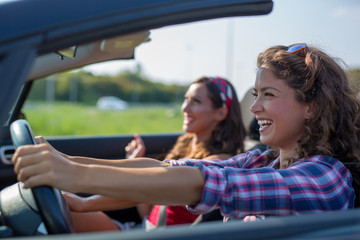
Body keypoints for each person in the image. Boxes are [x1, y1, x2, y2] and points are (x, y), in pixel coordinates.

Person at [12, 43, 359, 225]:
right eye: (255, 95)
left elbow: (206, 185)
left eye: (268, 95)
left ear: (311, 106)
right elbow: (175, 170)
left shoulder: (325, 178)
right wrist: (65, 160)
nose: (254, 109)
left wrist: (75, 175)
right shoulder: (264, 159)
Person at [34, 76, 246, 232]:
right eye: (186, 99)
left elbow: (153, 186)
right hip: (142, 227)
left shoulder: (219, 164)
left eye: (196, 101)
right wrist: (133, 163)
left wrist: (84, 203)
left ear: (220, 112)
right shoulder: (185, 148)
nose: (184, 107)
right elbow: (147, 206)